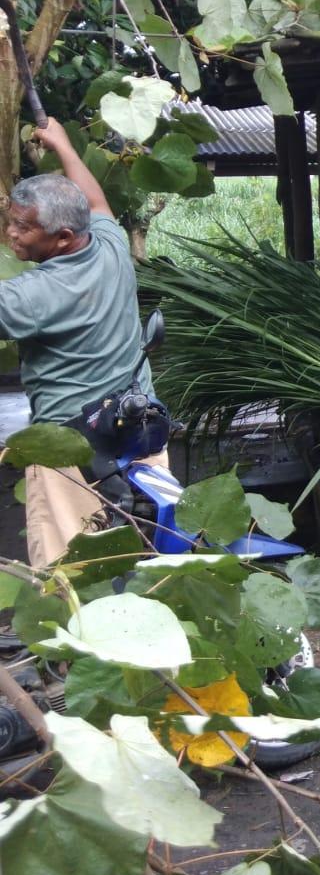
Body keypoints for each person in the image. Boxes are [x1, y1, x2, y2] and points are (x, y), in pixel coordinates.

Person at [2, 119, 160, 568]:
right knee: (148, 560)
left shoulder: (33, 296)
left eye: (23, 228)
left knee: (69, 576)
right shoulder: (109, 245)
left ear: (63, 237)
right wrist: (64, 146)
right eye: (11, 222)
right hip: (140, 430)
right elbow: (96, 200)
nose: (12, 233)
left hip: (71, 452)